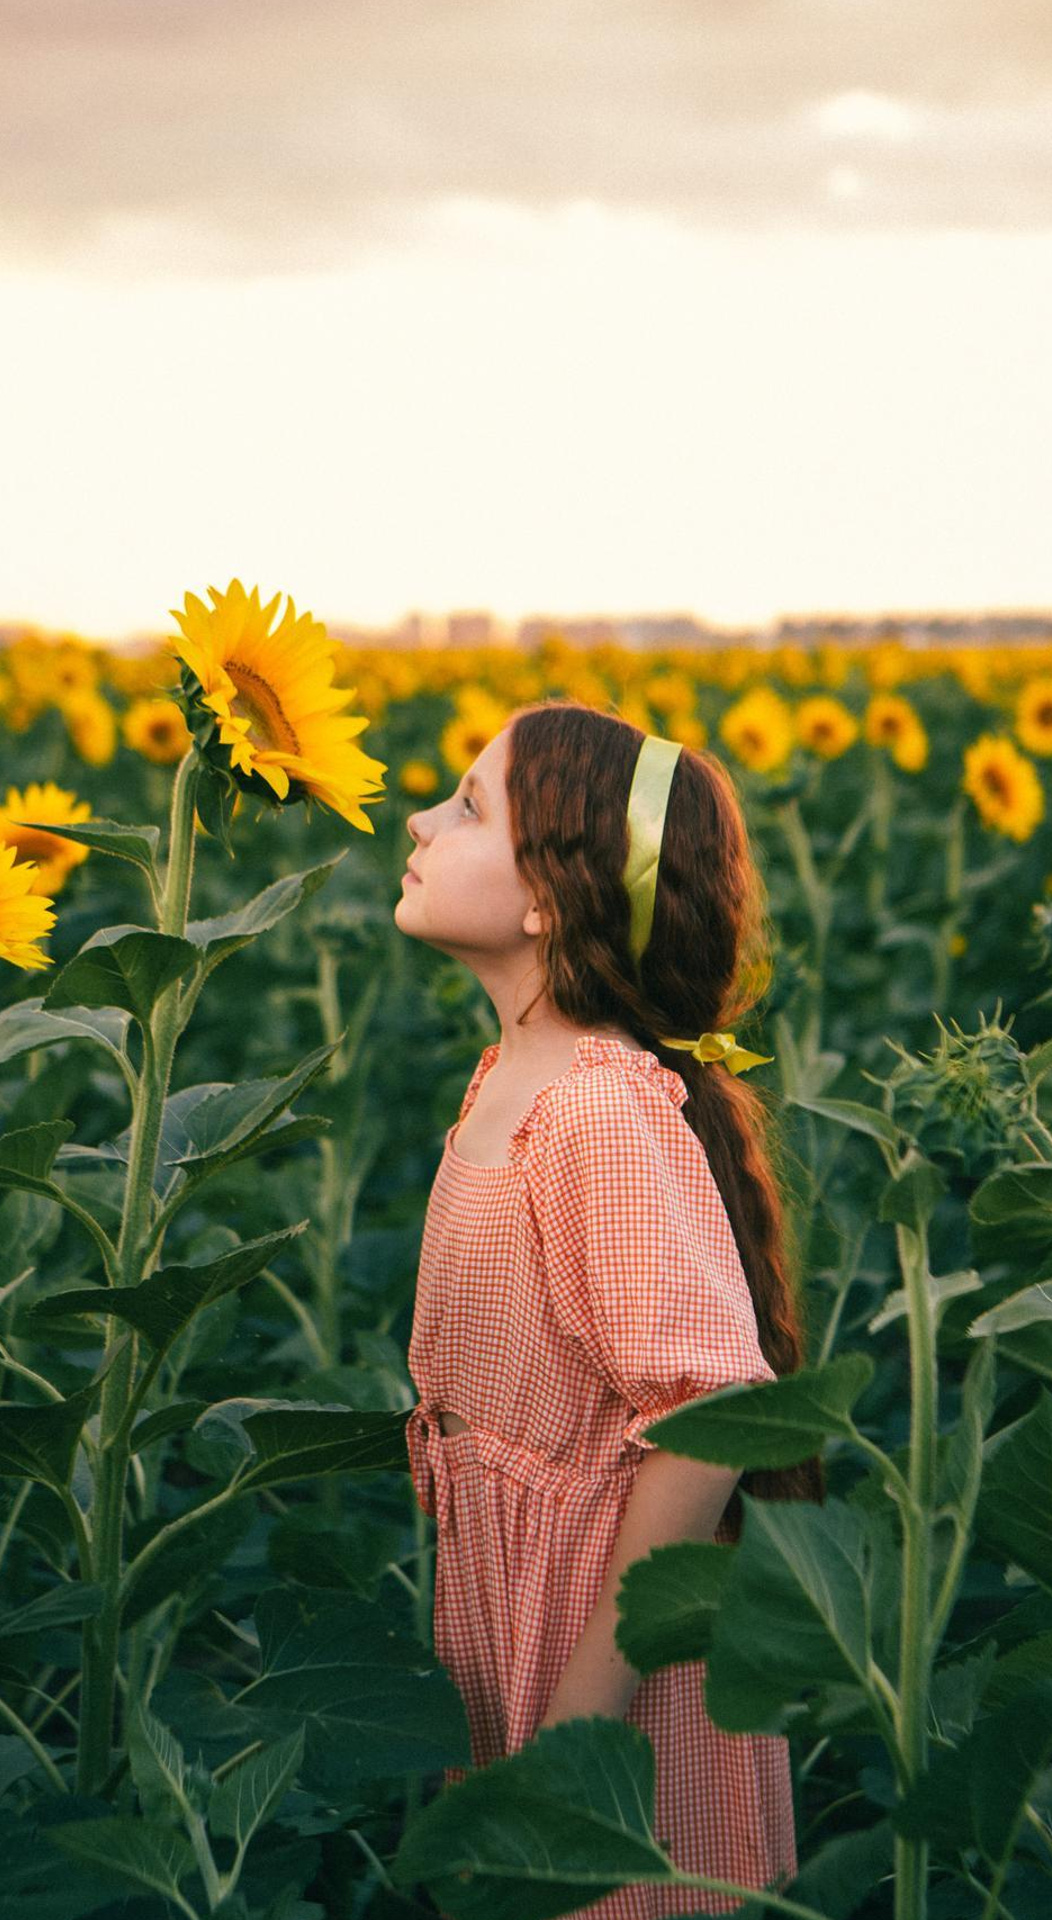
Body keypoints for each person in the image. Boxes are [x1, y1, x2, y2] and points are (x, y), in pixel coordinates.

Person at [394, 699, 824, 1918]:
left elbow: (708, 1407)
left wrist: (586, 1712)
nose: (421, 821)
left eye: (468, 806)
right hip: (518, 1622)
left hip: (608, 1663)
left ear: (551, 894)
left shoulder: (598, 1116)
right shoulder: (512, 1082)